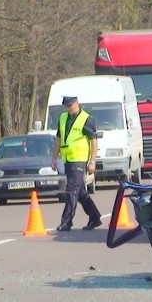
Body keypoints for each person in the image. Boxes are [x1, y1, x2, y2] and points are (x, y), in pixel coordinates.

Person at [51, 96, 102, 232]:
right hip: (67, 159)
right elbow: (58, 139)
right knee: (79, 192)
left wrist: (92, 161)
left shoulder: (86, 119)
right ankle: (95, 217)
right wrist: (54, 158)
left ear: (77, 103)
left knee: (71, 190)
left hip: (79, 160)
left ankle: (66, 222)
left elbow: (94, 141)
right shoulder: (62, 118)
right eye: (66, 106)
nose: (68, 108)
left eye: (70, 105)